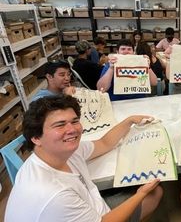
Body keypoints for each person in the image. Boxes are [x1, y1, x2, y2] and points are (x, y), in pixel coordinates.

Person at [5, 95, 162, 222]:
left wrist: (129, 121)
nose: (72, 129)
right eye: (60, 125)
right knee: (154, 194)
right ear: (36, 138)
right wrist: (141, 193)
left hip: (92, 207)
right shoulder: (54, 194)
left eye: (74, 121)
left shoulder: (62, 152)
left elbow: (104, 143)